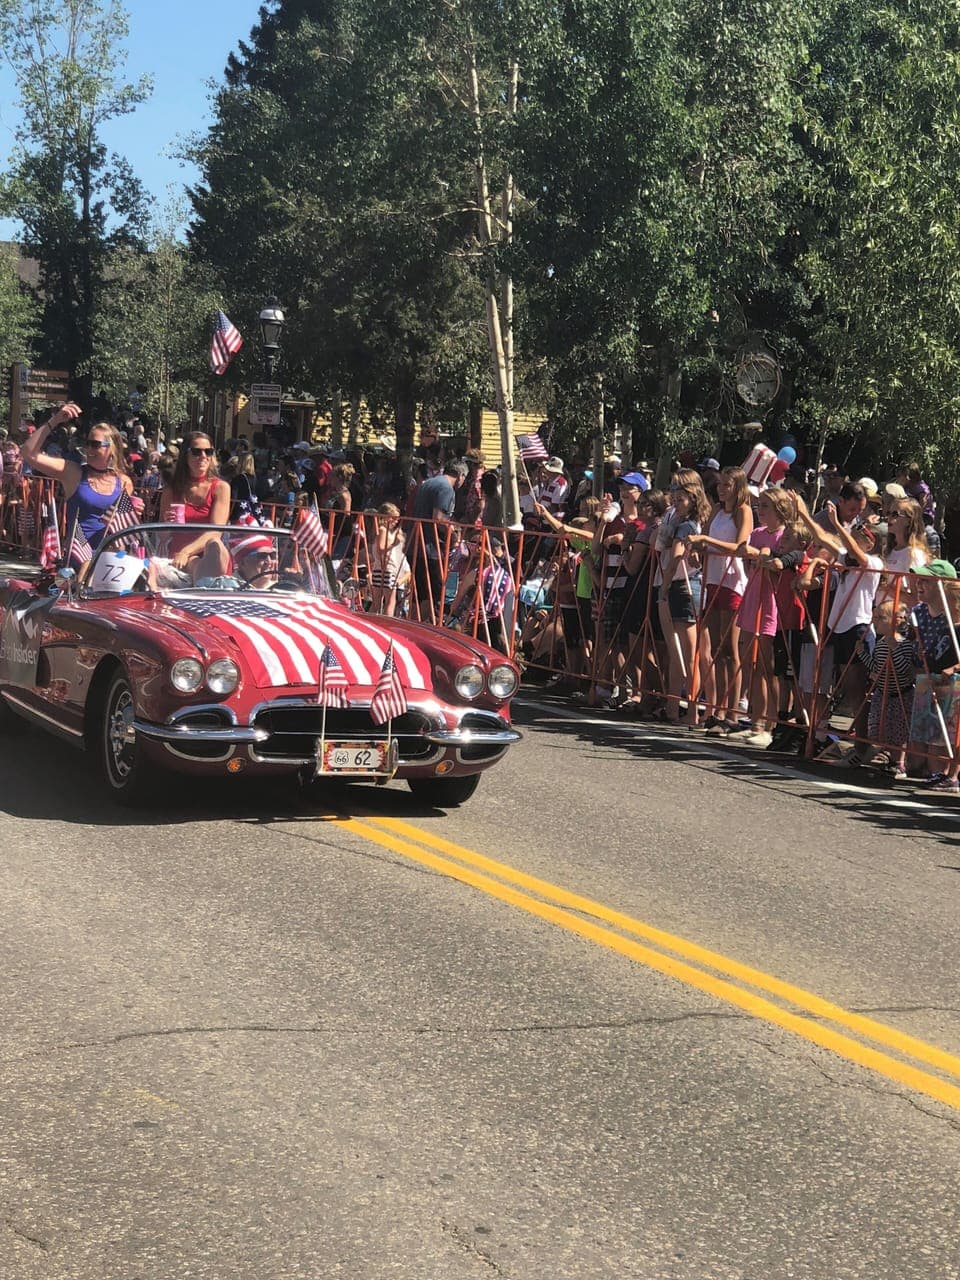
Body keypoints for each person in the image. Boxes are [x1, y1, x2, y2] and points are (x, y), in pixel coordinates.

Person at [20, 403, 142, 553]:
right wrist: (55, 420)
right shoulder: (73, 472)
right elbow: (28, 453)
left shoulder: (124, 482)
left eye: (96, 444)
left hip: (110, 560)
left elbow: (121, 528)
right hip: (78, 559)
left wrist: (134, 513)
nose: (89, 449)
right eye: (88, 443)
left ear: (112, 448)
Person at [688, 467, 753, 733]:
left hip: (732, 581)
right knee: (716, 649)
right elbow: (708, 540)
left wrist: (707, 540)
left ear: (738, 487)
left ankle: (733, 714)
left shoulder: (743, 511)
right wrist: (699, 546)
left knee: (730, 649)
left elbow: (740, 546)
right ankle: (719, 709)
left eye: (728, 485)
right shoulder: (717, 510)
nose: (722, 489)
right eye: (721, 485)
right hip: (713, 579)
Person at [158, 430, 231, 573]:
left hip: (210, 555)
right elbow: (162, 536)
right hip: (178, 559)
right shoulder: (171, 489)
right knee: (195, 563)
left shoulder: (221, 488)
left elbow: (215, 532)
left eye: (208, 451)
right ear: (185, 455)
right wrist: (167, 524)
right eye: (196, 452)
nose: (203, 456)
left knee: (215, 546)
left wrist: (186, 552)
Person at [410, 460, 465, 622]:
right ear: (460, 476)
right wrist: (453, 535)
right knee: (431, 594)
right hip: (430, 548)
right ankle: (416, 626)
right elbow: (439, 518)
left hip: (416, 544)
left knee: (418, 595)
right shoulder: (446, 488)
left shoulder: (429, 483)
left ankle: (411, 623)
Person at [369, 502, 410, 616]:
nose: (396, 521)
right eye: (394, 518)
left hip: (379, 569)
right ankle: (386, 625)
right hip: (386, 570)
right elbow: (381, 549)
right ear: (386, 516)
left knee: (376, 603)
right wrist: (394, 543)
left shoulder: (382, 531)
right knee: (390, 603)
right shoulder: (383, 530)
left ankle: (369, 621)